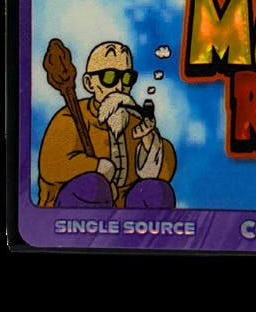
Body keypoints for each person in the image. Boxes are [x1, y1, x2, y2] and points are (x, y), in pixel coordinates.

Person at [38, 40, 177, 208]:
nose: (120, 86)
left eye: (127, 78)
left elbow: (165, 173)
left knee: (158, 191)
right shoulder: (71, 117)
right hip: (71, 211)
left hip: (122, 211)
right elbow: (51, 166)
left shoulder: (134, 120)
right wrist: (99, 168)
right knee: (93, 186)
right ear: (89, 83)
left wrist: (150, 143)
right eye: (109, 77)